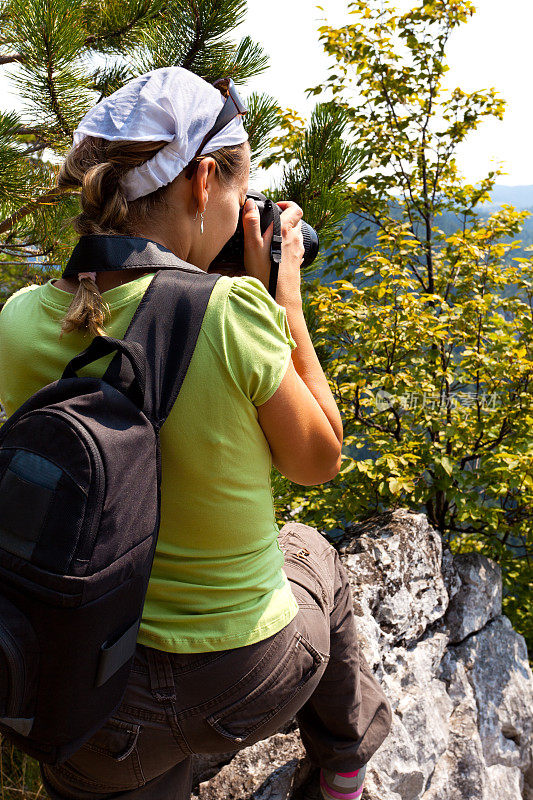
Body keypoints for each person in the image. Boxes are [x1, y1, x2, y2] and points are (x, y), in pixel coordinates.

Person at [0, 67, 392, 800]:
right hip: (244, 680)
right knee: (312, 551)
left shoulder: (20, 319)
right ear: (202, 179)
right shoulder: (233, 311)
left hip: (89, 699)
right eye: (243, 191)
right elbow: (319, 459)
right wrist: (284, 301)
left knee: (126, 765)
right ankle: (342, 763)